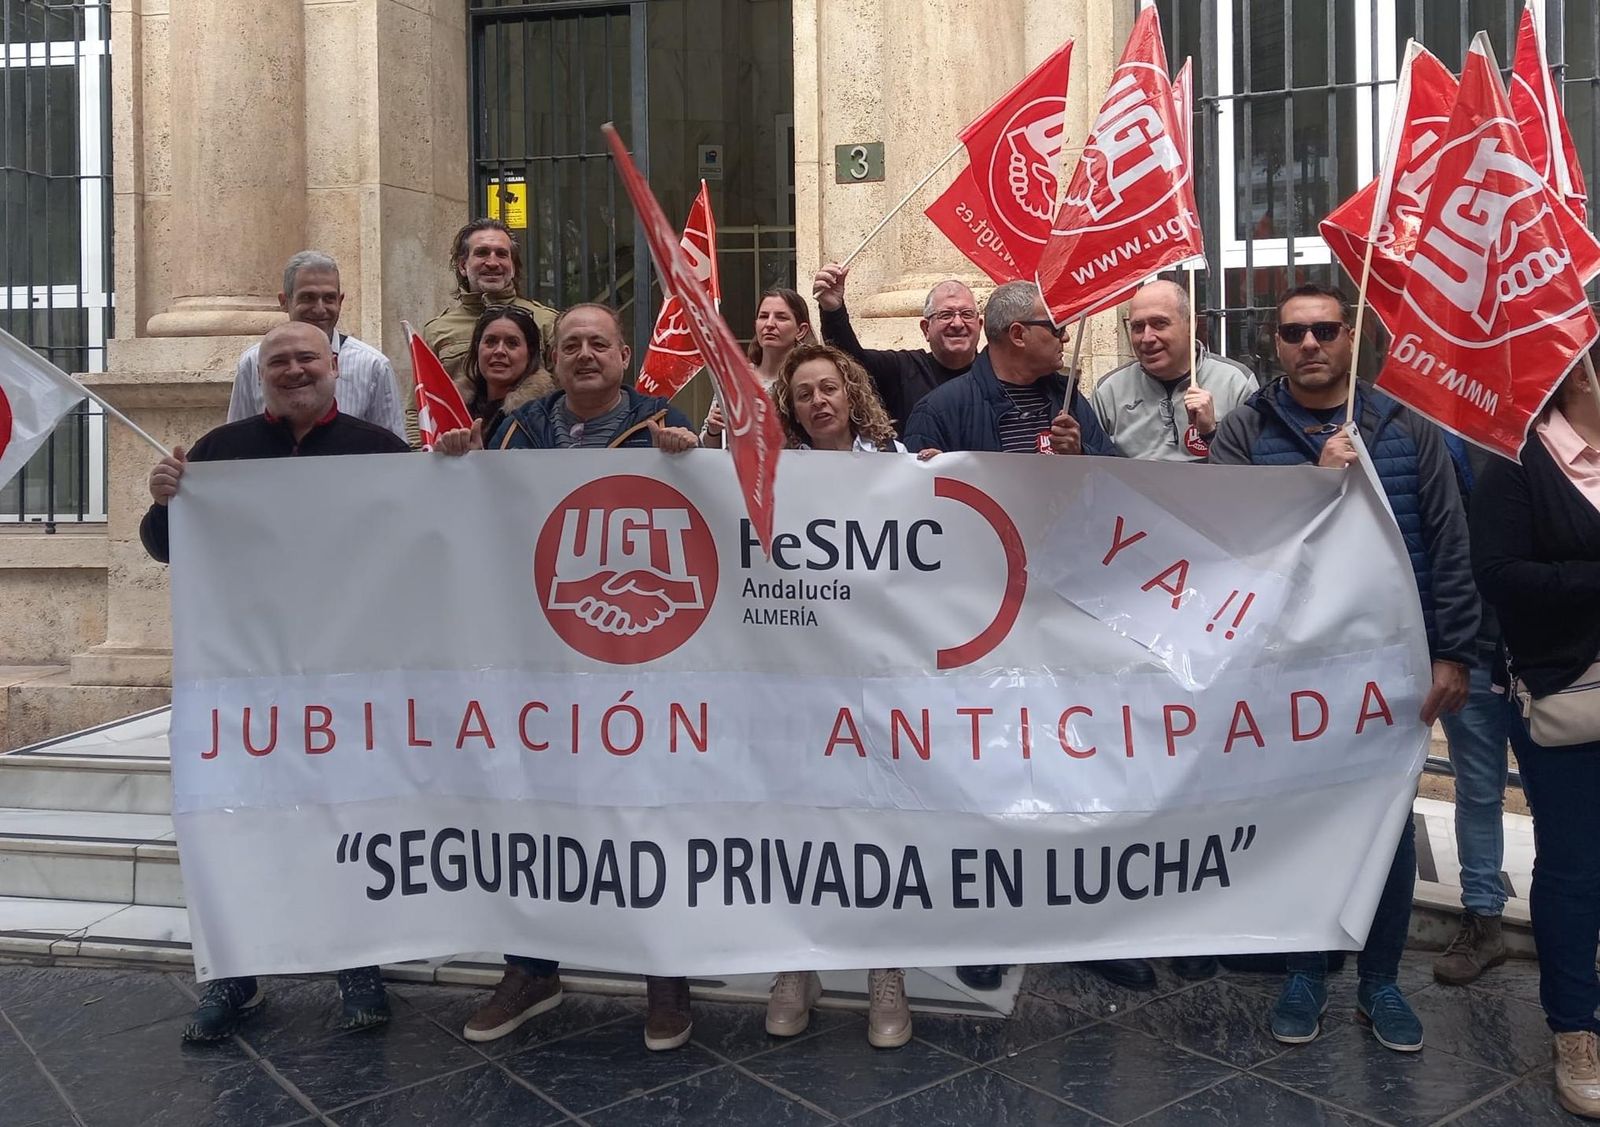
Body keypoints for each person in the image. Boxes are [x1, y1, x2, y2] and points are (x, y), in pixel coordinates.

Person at [1209, 283, 1476, 1053]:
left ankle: (1381, 980)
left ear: (1351, 336)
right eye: (1295, 333)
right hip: (1281, 673)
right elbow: (1225, 544)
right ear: (1277, 344)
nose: (1311, 343)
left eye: (1326, 328)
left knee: (1386, 831)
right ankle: (1303, 969)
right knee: (1295, 823)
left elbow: (1448, 543)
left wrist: (1454, 650)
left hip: (1388, 672)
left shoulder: (1403, 425)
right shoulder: (1245, 430)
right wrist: (1319, 486)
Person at [435, 303, 699, 1052]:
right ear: (554, 360)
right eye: (571, 344)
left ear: (625, 355)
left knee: (643, 810)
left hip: (635, 667)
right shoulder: (515, 430)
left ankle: (664, 972)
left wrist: (693, 463)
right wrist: (455, 465)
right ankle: (531, 968)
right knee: (532, 808)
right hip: (536, 664)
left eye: (599, 344)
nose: (585, 354)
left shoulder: (661, 425)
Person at [141, 322, 409, 1042]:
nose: (294, 370)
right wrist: (165, 498)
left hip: (348, 679)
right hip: (245, 684)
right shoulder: (220, 453)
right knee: (237, 823)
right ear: (261, 376)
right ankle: (233, 977)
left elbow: (424, 543)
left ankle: (359, 968)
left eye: (306, 359)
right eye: (278, 362)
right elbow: (168, 546)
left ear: (334, 368)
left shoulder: (379, 450)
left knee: (349, 817)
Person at [903, 280, 1122, 995]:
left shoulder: (1068, 396)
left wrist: (1083, 446)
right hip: (985, 624)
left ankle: (1088, 926)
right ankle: (986, 924)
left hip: (1064, 615)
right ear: (1012, 334)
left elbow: (1121, 484)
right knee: (989, 775)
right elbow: (904, 514)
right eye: (1050, 325)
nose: (1062, 334)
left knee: (1072, 771)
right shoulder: (942, 409)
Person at [762, 342, 912, 1046]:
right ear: (788, 407)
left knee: (877, 817)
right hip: (795, 674)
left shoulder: (894, 464)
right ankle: (798, 962)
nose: (818, 401)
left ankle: (886, 966)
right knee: (801, 818)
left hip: (874, 675)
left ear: (851, 393)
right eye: (803, 394)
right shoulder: (768, 475)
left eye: (829, 388)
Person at [1471, 359, 1600, 1119]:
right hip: (1566, 695)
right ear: (1581, 373)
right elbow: (1504, 575)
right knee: (1575, 866)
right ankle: (1575, 1029)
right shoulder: (1520, 462)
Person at [1433, 441, 1515, 988]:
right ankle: (1483, 917)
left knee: (1564, 797)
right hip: (1473, 646)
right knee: (1479, 788)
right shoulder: (1437, 434)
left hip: (1550, 655)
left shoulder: (1560, 437)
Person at [902, 279, 1115, 459]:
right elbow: (919, 499)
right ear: (1018, 335)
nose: (1066, 337)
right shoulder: (938, 411)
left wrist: (1079, 454)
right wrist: (941, 474)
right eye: (1056, 328)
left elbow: (1114, 479)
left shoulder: (1068, 399)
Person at [227, 250, 405, 439]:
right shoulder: (252, 362)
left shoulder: (373, 366)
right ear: (284, 301)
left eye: (329, 298)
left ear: (340, 301)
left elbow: (393, 450)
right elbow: (234, 442)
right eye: (308, 298)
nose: (320, 309)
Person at [412, 218, 559, 444]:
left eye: (501, 254)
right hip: (455, 454)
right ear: (463, 265)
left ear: (513, 265)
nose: (492, 262)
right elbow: (417, 406)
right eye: (482, 253)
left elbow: (566, 396)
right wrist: (422, 457)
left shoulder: (547, 322)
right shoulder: (438, 330)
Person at [1092, 279, 1255, 461]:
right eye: (1137, 327)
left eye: (1159, 323)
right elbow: (1094, 472)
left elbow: (1253, 471)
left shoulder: (1236, 383)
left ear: (1190, 324)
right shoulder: (1109, 391)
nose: (1146, 338)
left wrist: (1211, 432)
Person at [812, 262, 981, 434]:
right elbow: (849, 362)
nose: (958, 323)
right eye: (946, 315)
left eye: (967, 314)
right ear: (926, 328)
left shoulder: (996, 374)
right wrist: (833, 310)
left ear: (980, 325)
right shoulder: (903, 369)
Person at [701, 287, 814, 448]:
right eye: (763, 316)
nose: (769, 324)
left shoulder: (809, 380)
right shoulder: (734, 378)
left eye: (781, 318)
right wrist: (714, 430)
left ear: (801, 330)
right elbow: (708, 447)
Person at [459, 305, 553, 441]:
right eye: (490, 342)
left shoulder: (546, 416)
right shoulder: (450, 409)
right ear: (476, 348)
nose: (499, 351)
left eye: (512, 343)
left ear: (530, 352)